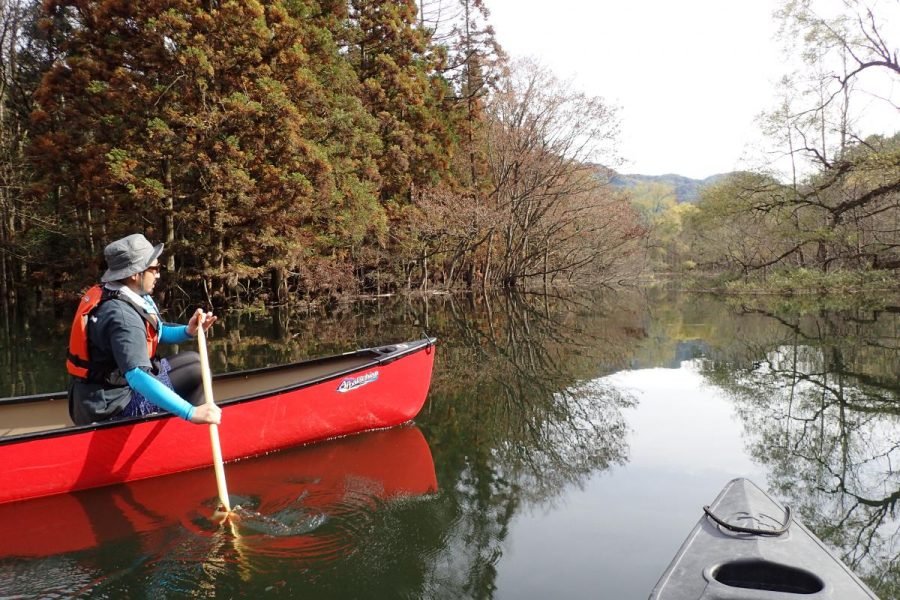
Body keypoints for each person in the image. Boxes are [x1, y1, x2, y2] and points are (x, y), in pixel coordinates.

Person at [67, 233, 222, 426]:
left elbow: (158, 331)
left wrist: (187, 331)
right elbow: (137, 376)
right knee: (196, 373)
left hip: (96, 396)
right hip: (110, 407)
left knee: (194, 362)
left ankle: (179, 421)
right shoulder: (122, 316)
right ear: (135, 273)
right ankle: (189, 429)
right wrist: (191, 412)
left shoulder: (125, 293)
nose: (158, 274)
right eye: (154, 268)